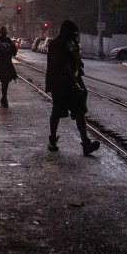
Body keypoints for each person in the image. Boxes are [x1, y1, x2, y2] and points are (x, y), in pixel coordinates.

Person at [45, 19, 101, 155]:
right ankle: (52, 139)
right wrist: (74, 82)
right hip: (60, 84)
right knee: (57, 111)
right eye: (73, 33)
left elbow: (75, 59)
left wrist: (79, 67)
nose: (75, 36)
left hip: (74, 81)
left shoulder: (72, 43)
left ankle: (85, 143)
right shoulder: (55, 44)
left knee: (80, 111)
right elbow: (63, 65)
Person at [0, 26, 17, 108]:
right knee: (5, 82)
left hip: (3, 64)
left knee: (4, 82)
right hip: (6, 64)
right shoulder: (6, 42)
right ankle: (4, 98)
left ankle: (4, 98)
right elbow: (14, 53)